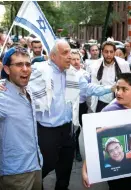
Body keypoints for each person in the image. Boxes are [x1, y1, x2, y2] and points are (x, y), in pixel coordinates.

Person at [0, 39, 116, 190]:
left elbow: (88, 88)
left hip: (68, 130)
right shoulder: (38, 70)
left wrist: (111, 88)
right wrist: (2, 81)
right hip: (46, 132)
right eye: (65, 53)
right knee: (44, 166)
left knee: (65, 169)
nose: (70, 56)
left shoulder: (73, 74)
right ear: (53, 56)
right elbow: (14, 79)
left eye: (70, 52)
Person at [0, 46, 42, 190]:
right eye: (19, 64)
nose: (25, 69)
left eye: (28, 64)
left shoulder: (28, 90)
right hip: (15, 174)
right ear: (6, 69)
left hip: (36, 165)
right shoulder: (2, 97)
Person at [82, 72, 131, 190]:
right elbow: (94, 142)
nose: (118, 93)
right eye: (117, 88)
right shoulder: (108, 112)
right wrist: (85, 169)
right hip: (119, 175)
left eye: (124, 89)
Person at [89, 41, 130, 113]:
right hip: (101, 103)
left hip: (119, 102)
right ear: (102, 52)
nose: (109, 54)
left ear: (114, 52)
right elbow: (94, 88)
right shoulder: (95, 66)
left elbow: (128, 84)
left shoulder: (123, 65)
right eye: (106, 52)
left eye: (111, 52)